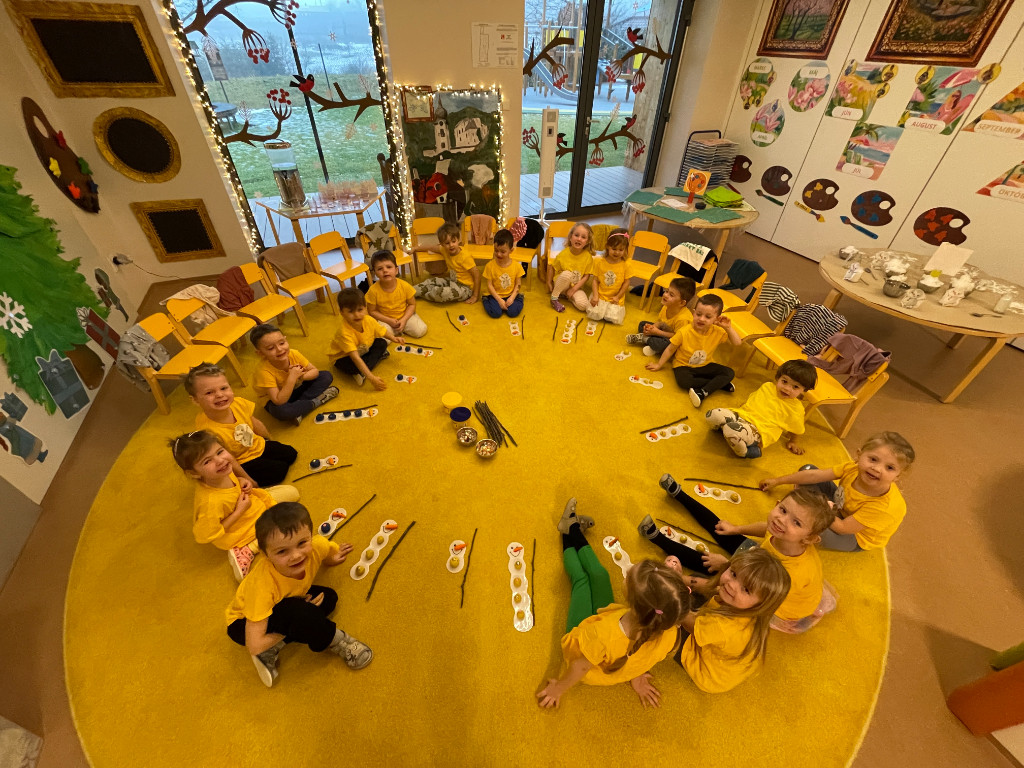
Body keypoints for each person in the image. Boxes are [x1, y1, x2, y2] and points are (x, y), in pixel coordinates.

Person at [537, 498, 691, 709]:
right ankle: (573, 528)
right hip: (611, 622)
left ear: (632, 600)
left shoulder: (601, 637)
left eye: (629, 576)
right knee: (600, 575)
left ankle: (568, 529)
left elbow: (580, 667)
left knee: (581, 579)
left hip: (588, 641)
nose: (627, 573)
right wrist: (637, 676)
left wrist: (557, 689)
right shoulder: (666, 628)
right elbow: (645, 657)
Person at [640, 476, 836, 634]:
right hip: (764, 563)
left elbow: (750, 591)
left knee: (719, 578)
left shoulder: (790, 573)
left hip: (771, 599)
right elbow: (767, 529)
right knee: (724, 533)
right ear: (778, 504)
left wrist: (727, 565)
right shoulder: (783, 533)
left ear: (810, 538)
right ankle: (679, 494)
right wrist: (736, 529)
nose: (781, 520)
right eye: (783, 510)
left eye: (796, 523)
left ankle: (659, 543)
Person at [226, 502, 373, 687]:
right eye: (282, 551)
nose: (296, 556)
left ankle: (288, 634)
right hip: (243, 624)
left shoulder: (317, 545)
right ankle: (339, 641)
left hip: (287, 600)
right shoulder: (261, 587)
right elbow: (254, 644)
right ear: (265, 555)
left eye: (302, 543)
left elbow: (327, 550)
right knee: (305, 616)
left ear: (310, 536)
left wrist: (334, 556)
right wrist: (299, 619)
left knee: (328, 599)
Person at [170, 430, 299, 581]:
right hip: (238, 528)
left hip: (249, 504)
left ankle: (264, 513)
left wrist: (242, 482)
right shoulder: (211, 502)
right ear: (194, 473)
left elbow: (234, 481)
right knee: (278, 533)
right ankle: (246, 549)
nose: (220, 461)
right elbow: (206, 535)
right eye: (207, 461)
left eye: (220, 452)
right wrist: (239, 511)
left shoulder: (221, 471)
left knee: (292, 493)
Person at [760, 431, 915, 552]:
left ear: (898, 476)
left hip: (855, 536)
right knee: (807, 470)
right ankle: (810, 512)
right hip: (840, 507)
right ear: (859, 455)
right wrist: (778, 481)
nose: (877, 469)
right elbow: (814, 475)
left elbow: (843, 528)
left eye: (890, 468)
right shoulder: (853, 468)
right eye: (873, 459)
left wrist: (819, 510)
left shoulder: (885, 507)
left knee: (810, 531)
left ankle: (807, 516)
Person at [674, 547, 790, 693]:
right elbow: (711, 587)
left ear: (761, 604)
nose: (731, 584)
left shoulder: (724, 627)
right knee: (699, 580)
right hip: (724, 658)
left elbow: (688, 622)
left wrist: (671, 593)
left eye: (746, 589)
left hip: (707, 673)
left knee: (667, 627)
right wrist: (680, 578)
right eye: (733, 573)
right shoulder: (748, 606)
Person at [187, 363, 297, 488]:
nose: (219, 395)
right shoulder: (208, 432)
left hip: (256, 444)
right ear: (195, 400)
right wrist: (248, 480)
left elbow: (255, 423)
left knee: (291, 453)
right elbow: (227, 460)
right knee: (280, 470)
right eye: (209, 393)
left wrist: (270, 441)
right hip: (242, 461)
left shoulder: (238, 403)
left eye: (223, 388)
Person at [705, 359, 818, 459]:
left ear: (804, 390)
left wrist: (793, 442)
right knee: (713, 415)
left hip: (759, 431)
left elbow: (797, 428)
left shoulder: (796, 408)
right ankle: (729, 429)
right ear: (778, 378)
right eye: (784, 381)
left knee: (733, 431)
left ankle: (748, 451)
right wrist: (739, 410)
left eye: (795, 387)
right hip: (742, 415)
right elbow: (754, 399)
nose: (787, 388)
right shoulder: (767, 386)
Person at [645, 293, 742, 407]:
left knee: (729, 373)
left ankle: (705, 390)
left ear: (716, 319)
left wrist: (728, 327)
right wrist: (659, 365)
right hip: (683, 365)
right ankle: (717, 385)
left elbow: (737, 342)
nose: (701, 319)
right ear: (694, 313)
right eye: (698, 314)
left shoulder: (718, 331)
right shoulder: (684, 331)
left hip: (705, 365)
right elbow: (670, 349)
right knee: (684, 382)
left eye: (708, 317)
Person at [250, 323, 338, 426]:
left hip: (296, 388)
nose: (279, 349)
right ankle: (316, 401)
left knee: (326, 376)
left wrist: (301, 376)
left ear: (286, 340)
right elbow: (278, 400)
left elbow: (315, 371)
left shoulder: (293, 353)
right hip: (279, 398)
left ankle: (300, 407)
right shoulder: (263, 371)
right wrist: (292, 377)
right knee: (280, 411)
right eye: (270, 348)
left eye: (282, 343)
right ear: (260, 353)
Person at [328, 287, 404, 390]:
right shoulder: (344, 333)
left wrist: (393, 338)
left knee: (382, 342)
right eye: (350, 312)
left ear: (365, 308)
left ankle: (362, 371)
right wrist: (371, 378)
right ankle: (362, 370)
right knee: (353, 366)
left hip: (363, 349)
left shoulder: (368, 320)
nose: (357, 315)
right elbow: (355, 358)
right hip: (344, 357)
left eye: (360, 310)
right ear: (342, 312)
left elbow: (381, 330)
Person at [626, 276, 696, 357]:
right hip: (665, 332)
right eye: (666, 291)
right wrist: (652, 327)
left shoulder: (683, 319)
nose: (665, 295)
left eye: (671, 295)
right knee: (642, 324)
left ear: (682, 303)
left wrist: (657, 332)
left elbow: (677, 338)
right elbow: (660, 322)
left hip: (676, 341)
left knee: (663, 344)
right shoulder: (666, 306)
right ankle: (651, 343)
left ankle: (646, 340)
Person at [412, 222, 481, 304]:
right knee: (432, 281)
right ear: (442, 244)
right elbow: (431, 247)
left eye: (453, 241)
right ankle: (410, 292)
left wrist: (475, 296)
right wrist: (416, 248)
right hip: (452, 281)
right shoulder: (444, 250)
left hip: (465, 288)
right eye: (447, 243)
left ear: (458, 240)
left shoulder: (465, 257)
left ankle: (426, 293)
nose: (451, 245)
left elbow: (477, 274)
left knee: (442, 293)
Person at [365, 250, 428, 338]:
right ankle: (394, 331)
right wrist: (389, 320)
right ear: (375, 273)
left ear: (396, 270)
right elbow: (371, 311)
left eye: (389, 267)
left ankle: (402, 326)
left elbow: (412, 304)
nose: (385, 270)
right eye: (380, 269)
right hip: (385, 320)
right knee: (381, 337)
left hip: (404, 316)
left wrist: (404, 320)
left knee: (421, 330)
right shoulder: (373, 290)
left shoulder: (405, 286)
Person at [547, 223, 595, 313]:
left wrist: (573, 290)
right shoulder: (564, 254)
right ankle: (554, 298)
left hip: (575, 286)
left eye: (583, 237)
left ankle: (566, 295)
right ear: (570, 237)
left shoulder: (588, 257)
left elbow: (586, 276)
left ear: (588, 241)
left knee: (583, 305)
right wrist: (549, 282)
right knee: (567, 274)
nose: (579, 239)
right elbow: (552, 267)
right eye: (576, 235)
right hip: (561, 284)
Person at [586, 229, 630, 325]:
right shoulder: (599, 262)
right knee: (594, 314)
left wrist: (617, 297)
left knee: (612, 318)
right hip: (600, 295)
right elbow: (595, 281)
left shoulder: (626, 264)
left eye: (621, 250)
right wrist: (595, 296)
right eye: (614, 249)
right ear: (607, 247)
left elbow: (626, 283)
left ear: (625, 249)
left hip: (615, 298)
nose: (617, 252)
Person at [481, 229, 524, 318]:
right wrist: (499, 300)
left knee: (513, 312)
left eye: (503, 252)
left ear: (511, 250)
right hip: (494, 295)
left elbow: (518, 284)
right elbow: (489, 285)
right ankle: (485, 299)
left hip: (510, 294)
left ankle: (519, 297)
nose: (499, 254)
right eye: (496, 250)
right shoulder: (489, 266)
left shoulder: (517, 266)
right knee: (496, 313)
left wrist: (512, 298)